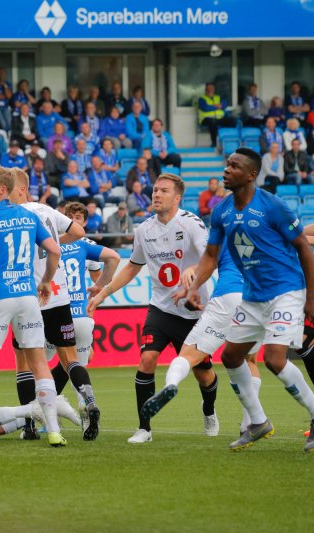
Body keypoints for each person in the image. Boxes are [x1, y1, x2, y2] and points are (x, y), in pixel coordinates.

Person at [184, 148, 314, 452]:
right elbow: (211, 255)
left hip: (286, 291)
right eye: (227, 164)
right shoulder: (221, 211)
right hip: (253, 295)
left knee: (274, 359)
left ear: (251, 174)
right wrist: (193, 288)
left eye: (234, 166)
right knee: (230, 357)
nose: (227, 170)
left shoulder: (273, 206)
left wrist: (310, 297)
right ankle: (257, 422)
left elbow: (304, 249)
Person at [88, 174, 219, 444]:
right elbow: (132, 267)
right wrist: (104, 292)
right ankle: (144, 428)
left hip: (193, 310)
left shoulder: (191, 224)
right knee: (147, 361)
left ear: (177, 197)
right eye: (155, 190)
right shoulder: (144, 230)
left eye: (164, 191)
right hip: (160, 308)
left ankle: (209, 410)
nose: (156, 195)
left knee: (203, 374)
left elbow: (211, 257)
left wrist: (194, 269)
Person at [0, 165, 65, 449]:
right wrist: (45, 281)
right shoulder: (29, 216)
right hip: (27, 297)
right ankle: (54, 431)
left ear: (3, 189)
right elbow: (54, 251)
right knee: (39, 364)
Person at [9, 168, 100, 441]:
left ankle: (30, 426)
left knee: (24, 363)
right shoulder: (47, 210)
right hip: (60, 295)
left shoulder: (14, 215)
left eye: (8, 188)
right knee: (69, 357)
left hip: (30, 294)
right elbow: (80, 231)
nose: (4, 192)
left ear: (22, 189)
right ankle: (89, 400)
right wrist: (54, 242)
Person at [141, 244, 262, 436]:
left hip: (226, 297)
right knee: (249, 360)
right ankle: (250, 424)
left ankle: (171, 383)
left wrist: (191, 284)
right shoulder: (266, 230)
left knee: (188, 355)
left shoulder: (225, 232)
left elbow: (206, 263)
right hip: (256, 299)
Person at [59, 201, 121, 419]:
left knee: (38, 366)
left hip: (56, 314)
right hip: (81, 317)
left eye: (79, 218)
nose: (76, 221)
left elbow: (95, 281)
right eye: (72, 217)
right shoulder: (86, 245)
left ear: (85, 222)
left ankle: (39, 418)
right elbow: (112, 260)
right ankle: (86, 408)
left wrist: (96, 288)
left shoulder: (50, 242)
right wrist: (99, 287)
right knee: (76, 367)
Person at [198, 82, 236, 148]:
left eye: (212, 88)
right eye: (209, 88)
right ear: (205, 89)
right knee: (212, 122)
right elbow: (205, 108)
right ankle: (214, 144)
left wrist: (218, 106)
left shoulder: (218, 97)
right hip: (206, 119)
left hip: (219, 118)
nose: (210, 90)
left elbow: (224, 104)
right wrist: (216, 106)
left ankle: (229, 143)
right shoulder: (202, 99)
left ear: (214, 89)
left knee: (232, 120)